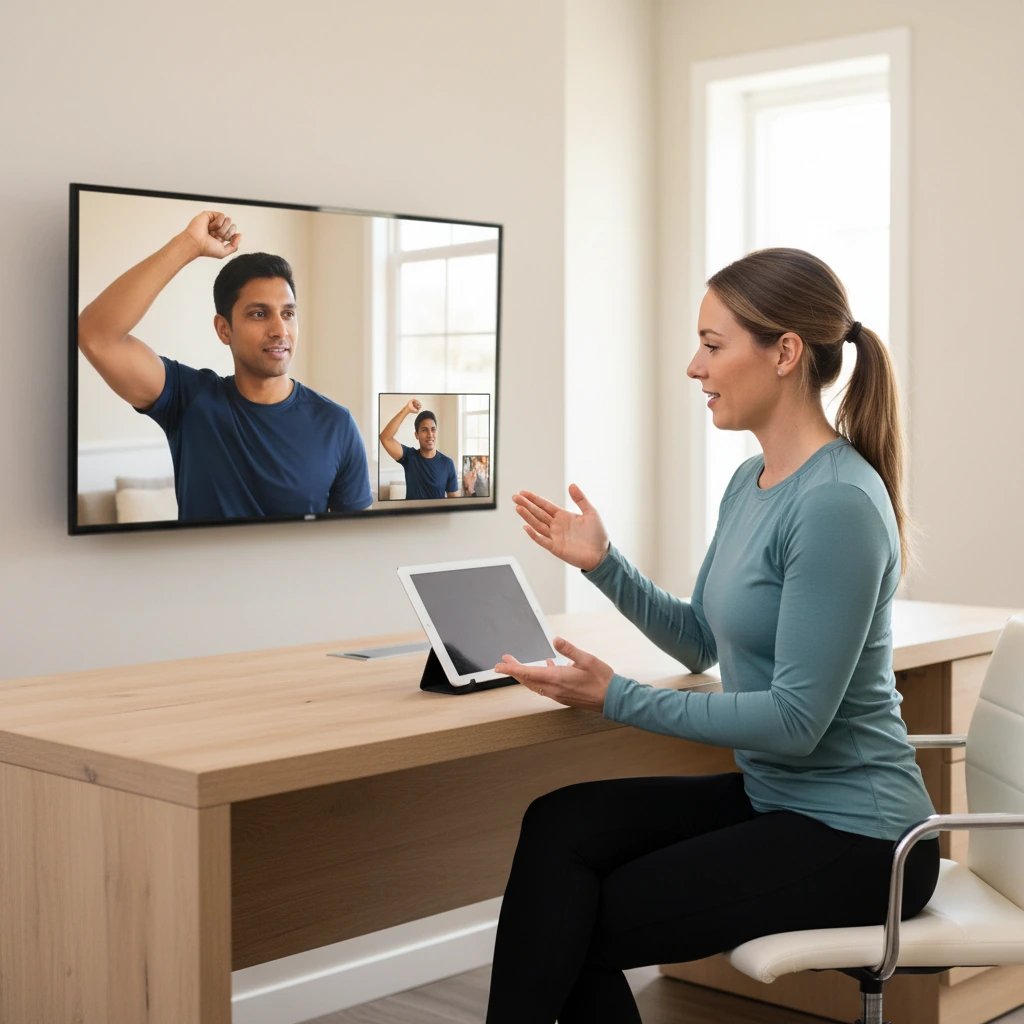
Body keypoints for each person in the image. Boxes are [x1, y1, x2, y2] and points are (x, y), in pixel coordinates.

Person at [484, 247, 940, 1024]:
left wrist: (616, 697)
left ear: (785, 353)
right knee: (559, 824)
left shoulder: (836, 503)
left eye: (712, 344)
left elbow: (794, 722)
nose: (694, 366)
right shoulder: (749, 483)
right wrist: (603, 564)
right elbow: (701, 640)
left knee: (577, 923)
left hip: (863, 837)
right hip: (779, 799)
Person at [77, 211, 373, 520]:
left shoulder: (336, 425)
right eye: (259, 314)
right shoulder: (189, 400)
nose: (279, 330)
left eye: (288, 313)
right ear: (224, 329)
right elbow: (96, 335)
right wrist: (188, 244)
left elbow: (353, 541)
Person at [379, 399, 459, 499]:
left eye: (433, 430)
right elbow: (385, 438)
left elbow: (454, 499)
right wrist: (406, 410)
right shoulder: (409, 456)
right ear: (417, 435)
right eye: (424, 430)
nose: (430, 435)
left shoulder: (447, 463)